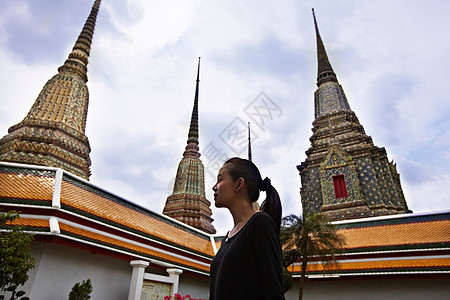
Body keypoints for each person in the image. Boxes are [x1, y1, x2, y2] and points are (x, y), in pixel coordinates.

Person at [210, 157, 285, 300]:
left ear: (239, 184)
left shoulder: (260, 223)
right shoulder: (228, 236)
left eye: (220, 180)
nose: (215, 186)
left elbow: (274, 293)